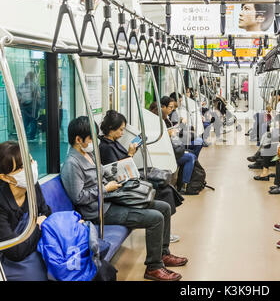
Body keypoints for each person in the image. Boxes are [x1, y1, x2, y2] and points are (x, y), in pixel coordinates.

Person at [60, 116, 187, 281]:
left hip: (112, 199)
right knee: (155, 218)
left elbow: (98, 175)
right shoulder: (72, 164)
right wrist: (104, 188)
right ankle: (154, 267)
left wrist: (115, 172)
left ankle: (163, 254)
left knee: (164, 207)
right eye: (91, 137)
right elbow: (78, 197)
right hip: (99, 211)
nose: (94, 141)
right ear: (78, 139)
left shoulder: (88, 154)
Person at [98, 110, 184, 242]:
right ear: (111, 129)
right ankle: (164, 232)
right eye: (120, 130)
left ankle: (165, 232)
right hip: (123, 186)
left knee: (165, 187)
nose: (122, 133)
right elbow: (118, 173)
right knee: (165, 190)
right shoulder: (106, 147)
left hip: (130, 178)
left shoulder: (112, 142)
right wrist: (131, 154)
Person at [0, 141, 51, 281]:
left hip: (31, 247)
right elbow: (15, 252)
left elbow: (46, 211)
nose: (30, 169)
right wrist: (37, 225)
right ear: (4, 177)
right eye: (22, 167)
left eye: (31, 161)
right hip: (9, 259)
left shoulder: (32, 186)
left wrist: (38, 224)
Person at [158, 100, 198, 195]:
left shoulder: (167, 119)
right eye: (170, 107)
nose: (172, 109)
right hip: (168, 151)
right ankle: (185, 184)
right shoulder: (161, 121)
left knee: (194, 148)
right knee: (191, 157)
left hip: (173, 146)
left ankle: (185, 180)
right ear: (163, 107)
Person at [17, 72, 41, 141]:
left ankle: (22, 136)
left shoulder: (21, 85)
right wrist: (39, 106)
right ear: (33, 77)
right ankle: (31, 136)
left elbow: (18, 95)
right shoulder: (34, 85)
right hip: (33, 106)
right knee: (33, 121)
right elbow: (38, 96)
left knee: (25, 121)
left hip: (23, 106)